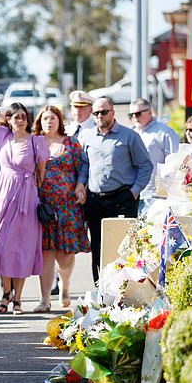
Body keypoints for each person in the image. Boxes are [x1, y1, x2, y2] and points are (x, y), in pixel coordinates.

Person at [77, 96, 153, 285]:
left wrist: (134, 192)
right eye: (96, 113)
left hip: (122, 199)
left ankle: (123, 289)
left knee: (122, 248)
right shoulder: (87, 137)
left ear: (112, 112)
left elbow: (145, 166)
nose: (100, 115)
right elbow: (84, 164)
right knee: (98, 247)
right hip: (95, 200)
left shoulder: (129, 136)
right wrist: (80, 184)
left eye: (104, 111)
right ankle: (100, 288)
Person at [0, 102, 49, 315]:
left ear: (27, 119)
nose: (20, 120)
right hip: (2, 195)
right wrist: (1, 119)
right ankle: (6, 292)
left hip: (26, 197)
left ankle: (17, 298)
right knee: (1, 246)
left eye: (23, 116)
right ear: (9, 120)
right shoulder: (2, 135)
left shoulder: (36, 141)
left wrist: (35, 196)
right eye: (15, 117)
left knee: (22, 248)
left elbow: (41, 173)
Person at [33, 106, 90, 312]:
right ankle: (44, 299)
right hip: (43, 206)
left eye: (53, 118)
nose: (50, 122)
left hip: (68, 206)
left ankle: (65, 285)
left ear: (60, 121)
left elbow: (83, 166)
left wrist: (80, 185)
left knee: (65, 255)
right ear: (40, 121)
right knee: (46, 252)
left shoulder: (71, 143)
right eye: (46, 118)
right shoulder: (35, 143)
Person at [128, 98, 179, 214]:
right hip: (132, 194)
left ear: (150, 112)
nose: (135, 117)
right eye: (131, 115)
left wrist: (167, 192)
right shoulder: (130, 133)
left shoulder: (164, 132)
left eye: (138, 113)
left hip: (154, 195)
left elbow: (174, 163)